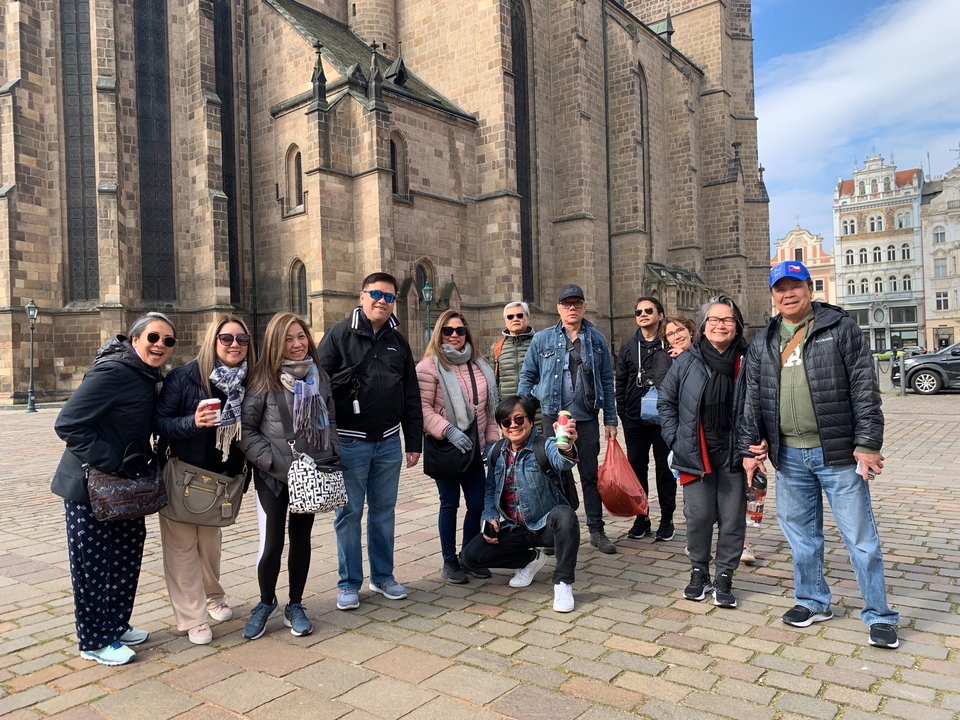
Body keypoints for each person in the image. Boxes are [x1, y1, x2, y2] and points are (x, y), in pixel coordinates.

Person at [739, 261, 899, 648]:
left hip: (839, 454)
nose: (787, 294)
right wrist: (751, 445)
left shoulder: (839, 327)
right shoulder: (763, 340)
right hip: (789, 456)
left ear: (810, 289)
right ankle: (812, 601)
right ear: (773, 295)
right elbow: (752, 397)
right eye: (780, 289)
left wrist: (869, 443)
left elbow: (864, 388)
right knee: (801, 537)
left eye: (795, 287)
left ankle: (879, 615)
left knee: (860, 538)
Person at [52, 312, 178, 666]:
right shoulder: (113, 372)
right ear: (135, 338)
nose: (160, 345)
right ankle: (93, 640)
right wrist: (111, 460)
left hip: (125, 487)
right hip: (90, 487)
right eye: (153, 337)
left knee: (125, 557)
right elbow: (69, 423)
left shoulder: (147, 376)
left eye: (168, 341)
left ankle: (116, 625)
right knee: (94, 566)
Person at [318, 272, 423, 611]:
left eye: (389, 296)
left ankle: (382, 576)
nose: (382, 300)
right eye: (376, 294)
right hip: (350, 443)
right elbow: (317, 386)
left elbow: (410, 393)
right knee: (348, 514)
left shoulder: (398, 341)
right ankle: (349, 582)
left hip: (389, 443)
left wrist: (414, 440)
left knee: (383, 514)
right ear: (361, 296)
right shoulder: (338, 334)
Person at [155, 315, 255, 645]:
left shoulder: (250, 380)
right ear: (213, 341)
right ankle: (191, 616)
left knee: (209, 545)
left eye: (242, 339)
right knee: (182, 548)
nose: (235, 345)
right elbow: (161, 425)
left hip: (224, 478)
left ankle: (213, 597)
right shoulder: (184, 377)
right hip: (185, 474)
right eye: (227, 339)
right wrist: (193, 422)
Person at [238, 312, 338, 640]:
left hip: (309, 475)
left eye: (301, 336)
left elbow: (330, 420)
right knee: (272, 544)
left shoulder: (319, 377)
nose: (297, 344)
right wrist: (273, 463)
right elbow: (246, 430)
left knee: (301, 539)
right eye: (288, 338)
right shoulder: (262, 379)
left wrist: (329, 455)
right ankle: (266, 602)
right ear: (274, 343)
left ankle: (295, 604)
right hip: (274, 475)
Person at [659, 296, 749, 608]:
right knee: (697, 517)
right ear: (703, 325)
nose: (720, 325)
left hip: (735, 453)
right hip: (695, 453)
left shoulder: (748, 360)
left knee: (732, 519)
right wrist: (676, 439)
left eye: (727, 320)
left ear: (736, 325)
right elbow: (666, 403)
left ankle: (725, 576)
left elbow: (763, 404)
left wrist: (758, 442)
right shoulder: (687, 360)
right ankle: (699, 572)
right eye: (714, 319)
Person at [518, 284, 618, 553]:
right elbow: (527, 376)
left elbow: (607, 381)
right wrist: (524, 412)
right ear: (558, 308)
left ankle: (596, 530)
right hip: (553, 417)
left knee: (589, 475)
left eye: (576, 303)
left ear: (584, 306)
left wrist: (611, 418)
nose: (571, 308)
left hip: (585, 418)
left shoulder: (597, 339)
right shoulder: (542, 339)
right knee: (555, 475)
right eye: (566, 303)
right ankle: (555, 532)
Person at [460, 396, 581, 612]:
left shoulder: (545, 445)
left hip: (544, 526)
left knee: (565, 515)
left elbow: (563, 461)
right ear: (501, 427)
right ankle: (530, 559)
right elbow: (490, 489)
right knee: (471, 557)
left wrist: (568, 446)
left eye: (519, 419)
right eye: (507, 422)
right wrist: (489, 517)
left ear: (530, 420)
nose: (513, 425)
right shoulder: (497, 452)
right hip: (513, 527)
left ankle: (563, 583)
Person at [418, 310, 499, 583]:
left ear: (467, 334)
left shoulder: (479, 364)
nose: (454, 335)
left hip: (475, 447)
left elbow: (487, 411)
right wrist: (447, 430)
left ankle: (468, 555)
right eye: (448, 330)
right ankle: (449, 560)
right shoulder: (429, 366)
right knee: (449, 504)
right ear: (439, 333)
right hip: (447, 448)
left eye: (460, 330)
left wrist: (491, 442)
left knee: (477, 504)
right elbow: (422, 409)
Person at [615, 297, 677, 542]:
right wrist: (623, 412)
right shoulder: (629, 346)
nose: (642, 314)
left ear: (660, 314)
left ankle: (667, 519)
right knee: (637, 469)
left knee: (665, 469)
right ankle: (642, 517)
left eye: (648, 310)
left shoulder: (669, 343)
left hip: (663, 418)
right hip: (634, 418)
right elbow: (620, 381)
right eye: (638, 311)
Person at [491, 302, 539, 417]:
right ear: (505, 320)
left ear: (527, 318)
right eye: (510, 316)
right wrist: (499, 405)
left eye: (520, 315)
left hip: (537, 411)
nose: (515, 319)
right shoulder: (497, 347)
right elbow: (493, 381)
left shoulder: (539, 343)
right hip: (508, 412)